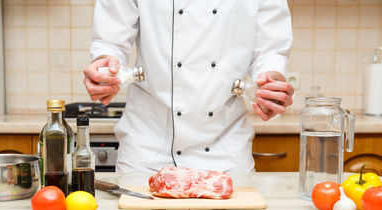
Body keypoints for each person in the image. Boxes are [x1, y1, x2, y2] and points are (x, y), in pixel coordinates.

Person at [83, 1, 293, 173]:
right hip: (147, 148)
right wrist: (105, 68)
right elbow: (111, 42)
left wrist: (270, 84)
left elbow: (270, 52)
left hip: (225, 151)